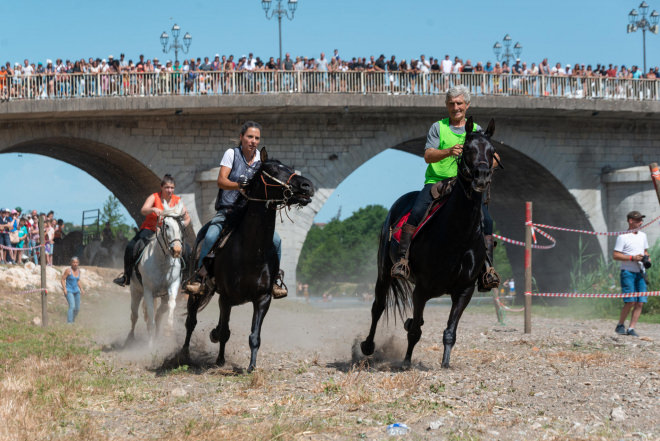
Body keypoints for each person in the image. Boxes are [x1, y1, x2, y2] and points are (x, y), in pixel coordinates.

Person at [390, 85, 500, 291]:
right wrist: (449, 151)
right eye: (451, 104)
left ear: (467, 105)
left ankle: (487, 269)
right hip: (437, 182)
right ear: (446, 106)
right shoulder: (438, 128)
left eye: (459, 103)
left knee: (487, 220)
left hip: (466, 186)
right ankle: (403, 261)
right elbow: (428, 156)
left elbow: (494, 158)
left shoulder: (476, 131)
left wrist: (485, 166)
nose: (455, 107)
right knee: (417, 212)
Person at [185, 121, 287, 298]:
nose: (253, 141)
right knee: (210, 237)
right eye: (250, 137)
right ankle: (199, 278)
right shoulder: (232, 154)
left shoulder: (260, 161)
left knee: (277, 241)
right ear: (241, 138)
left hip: (251, 215)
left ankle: (275, 280)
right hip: (228, 210)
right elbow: (221, 181)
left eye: (257, 138)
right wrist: (238, 185)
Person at [113, 174, 191, 286]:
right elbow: (143, 210)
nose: (170, 190)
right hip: (150, 229)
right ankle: (126, 276)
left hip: (170, 233)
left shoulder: (177, 200)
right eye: (167, 187)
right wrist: (153, 209)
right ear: (161, 187)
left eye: (172, 188)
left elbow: (187, 217)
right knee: (131, 246)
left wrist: (180, 227)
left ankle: (186, 280)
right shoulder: (154, 197)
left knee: (187, 250)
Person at [613, 210, 650, 337]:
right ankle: (620, 325)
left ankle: (631, 328)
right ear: (630, 221)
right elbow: (616, 255)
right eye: (638, 220)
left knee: (640, 302)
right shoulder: (622, 237)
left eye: (641, 220)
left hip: (640, 273)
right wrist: (632, 258)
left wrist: (647, 258)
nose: (641, 222)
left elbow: (645, 251)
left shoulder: (643, 236)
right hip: (628, 272)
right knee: (631, 301)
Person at [61, 256, 84, 323]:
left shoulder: (79, 271)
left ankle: (72, 320)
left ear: (78, 263)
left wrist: (81, 288)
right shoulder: (68, 270)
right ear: (71, 263)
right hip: (69, 290)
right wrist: (64, 288)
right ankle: (69, 323)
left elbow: (78, 280)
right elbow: (62, 279)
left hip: (76, 291)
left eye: (76, 262)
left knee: (77, 309)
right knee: (72, 306)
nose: (75, 264)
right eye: (74, 262)